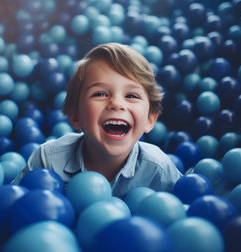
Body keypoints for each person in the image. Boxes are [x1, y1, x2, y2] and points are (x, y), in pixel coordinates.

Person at [13, 43, 182, 197]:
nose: (116, 103)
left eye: (131, 95)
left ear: (150, 120)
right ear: (75, 116)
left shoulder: (159, 169)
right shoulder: (47, 160)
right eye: (100, 94)